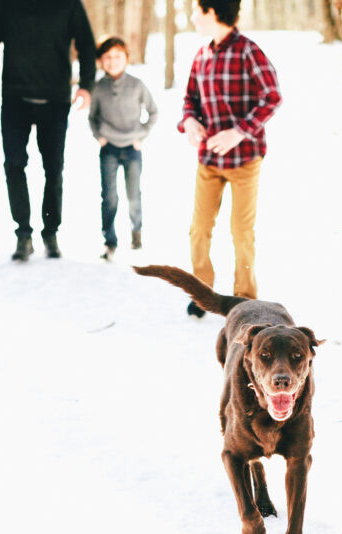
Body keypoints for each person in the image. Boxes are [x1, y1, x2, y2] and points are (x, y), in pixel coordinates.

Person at [179, 0, 281, 316]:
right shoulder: (202, 54)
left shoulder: (248, 51)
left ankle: (244, 298)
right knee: (199, 228)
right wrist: (190, 121)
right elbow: (189, 101)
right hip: (208, 161)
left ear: (212, 12)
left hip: (245, 160)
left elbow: (272, 96)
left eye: (196, 10)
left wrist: (239, 131)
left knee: (241, 231)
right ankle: (202, 294)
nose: (193, 16)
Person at [0, 0, 96, 262]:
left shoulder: (69, 5)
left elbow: (86, 44)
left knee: (53, 169)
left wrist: (86, 85)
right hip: (15, 99)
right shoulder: (3, 5)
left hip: (55, 101)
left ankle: (51, 232)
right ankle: (23, 233)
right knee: (14, 164)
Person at [88, 36, 158, 261]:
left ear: (127, 58)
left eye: (118, 56)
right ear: (101, 61)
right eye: (107, 57)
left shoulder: (137, 84)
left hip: (132, 148)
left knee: (133, 194)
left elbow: (153, 112)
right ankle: (109, 240)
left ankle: (136, 232)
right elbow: (93, 118)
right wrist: (99, 137)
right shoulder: (99, 87)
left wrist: (141, 135)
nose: (112, 61)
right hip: (108, 149)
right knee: (109, 196)